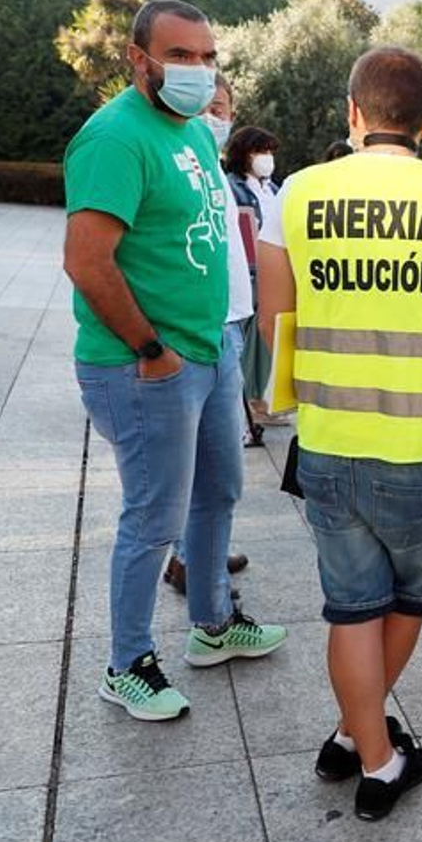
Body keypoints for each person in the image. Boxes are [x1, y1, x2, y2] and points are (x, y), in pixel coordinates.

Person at [256, 46, 422, 821]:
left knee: (352, 605)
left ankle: (354, 734)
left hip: (328, 436)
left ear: (353, 112)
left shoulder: (297, 191)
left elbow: (274, 318)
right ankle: (377, 761)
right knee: (406, 602)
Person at [63, 0, 286, 723]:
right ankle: (126, 663)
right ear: (139, 59)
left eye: (206, 56)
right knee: (153, 516)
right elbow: (86, 262)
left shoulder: (189, 130)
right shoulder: (114, 138)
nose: (198, 70)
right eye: (180, 56)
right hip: (145, 364)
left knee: (218, 492)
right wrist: (151, 351)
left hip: (209, 347)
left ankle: (213, 624)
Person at [164, 73, 252, 594]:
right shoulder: (184, 165)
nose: (213, 118)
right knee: (196, 466)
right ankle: (188, 561)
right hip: (198, 332)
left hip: (228, 323)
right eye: (205, 108)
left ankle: (202, 556)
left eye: (220, 109)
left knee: (219, 469)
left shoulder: (214, 167)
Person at [224, 126, 283, 427]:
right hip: (246, 270)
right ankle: (252, 402)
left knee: (265, 336)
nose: (267, 157)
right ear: (243, 154)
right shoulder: (232, 187)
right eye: (260, 151)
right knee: (248, 337)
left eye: (270, 151)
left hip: (270, 268)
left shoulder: (274, 188)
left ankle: (262, 399)